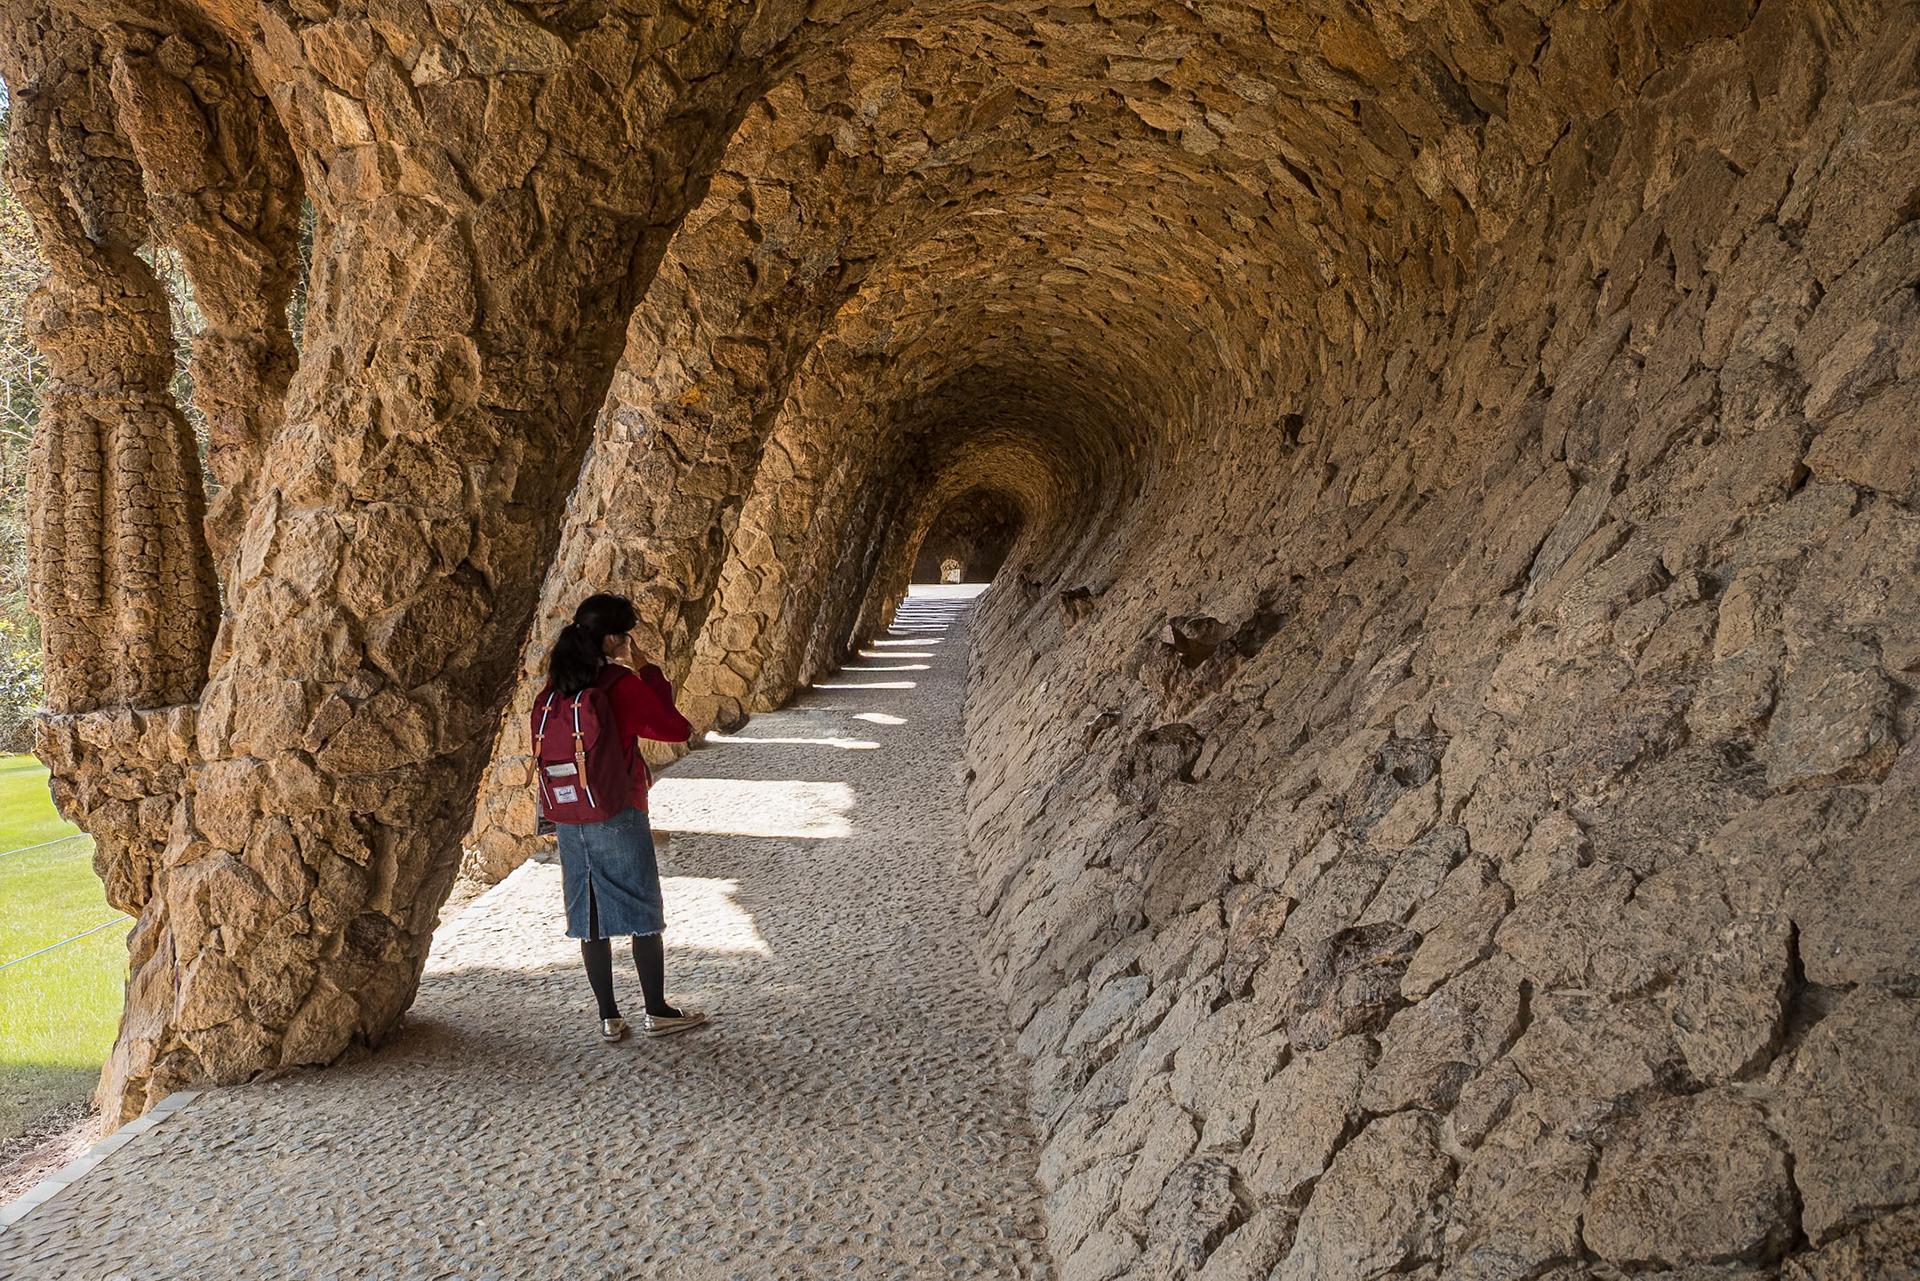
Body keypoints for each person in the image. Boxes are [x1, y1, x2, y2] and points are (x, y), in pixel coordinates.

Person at [537, 593, 705, 1042]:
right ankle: (657, 1011)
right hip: (619, 808)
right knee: (641, 910)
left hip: (571, 812)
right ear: (613, 639)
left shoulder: (557, 685)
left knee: (589, 914)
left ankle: (609, 1017)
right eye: (627, 633)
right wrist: (647, 670)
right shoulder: (619, 684)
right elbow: (675, 728)